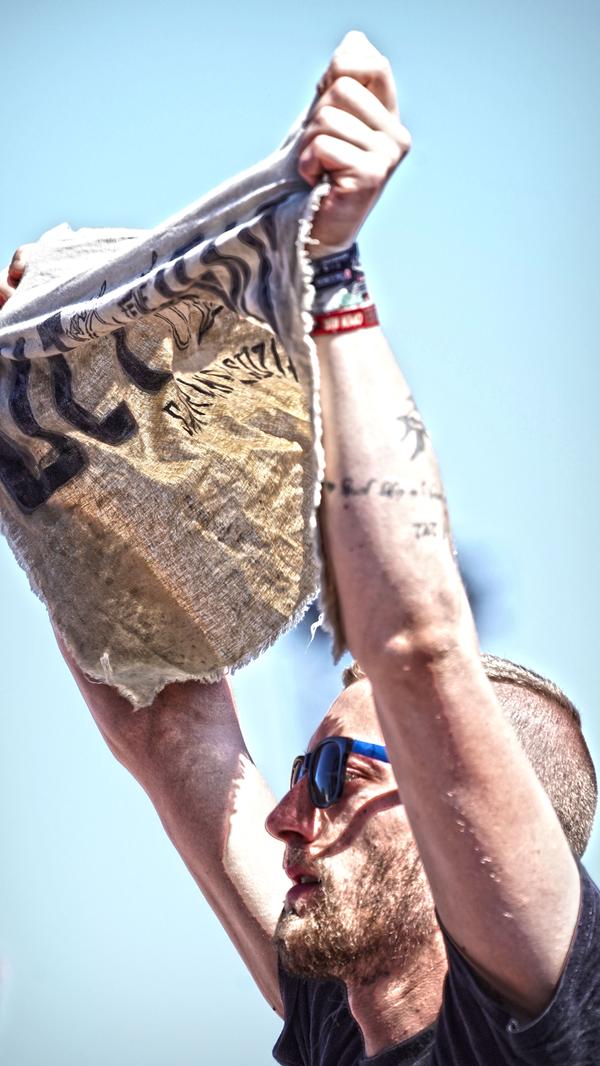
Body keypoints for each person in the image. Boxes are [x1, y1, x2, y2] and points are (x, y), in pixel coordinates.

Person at [1, 30, 599, 1066]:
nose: (286, 815)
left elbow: (418, 652)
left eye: (330, 773)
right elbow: (166, 716)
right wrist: (38, 416)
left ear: (462, 816)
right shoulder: (340, 1019)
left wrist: (330, 270)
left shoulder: (540, 1017)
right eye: (306, 774)